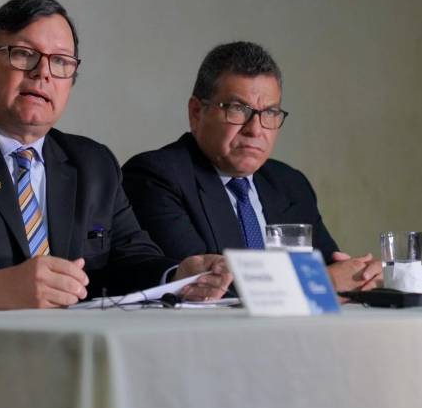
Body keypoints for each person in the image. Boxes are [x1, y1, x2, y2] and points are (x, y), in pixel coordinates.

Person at [0, 0, 231, 310]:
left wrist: (178, 276)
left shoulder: (93, 163)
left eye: (61, 62)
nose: (42, 74)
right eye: (23, 54)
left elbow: (130, 259)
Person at [122, 41, 381, 292]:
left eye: (269, 112)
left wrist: (361, 275)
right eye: (237, 109)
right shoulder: (156, 177)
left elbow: (330, 267)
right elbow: (207, 285)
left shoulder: (290, 184)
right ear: (196, 112)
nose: (255, 129)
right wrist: (325, 282)